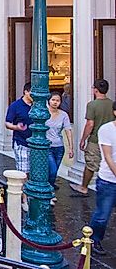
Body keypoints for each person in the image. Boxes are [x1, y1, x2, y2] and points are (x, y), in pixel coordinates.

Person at [71, 79, 114, 197]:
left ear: (95, 89)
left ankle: (84, 187)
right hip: (110, 140)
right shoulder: (111, 103)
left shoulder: (92, 105)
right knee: (109, 162)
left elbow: (90, 124)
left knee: (91, 164)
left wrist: (83, 139)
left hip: (96, 139)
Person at [86, 100, 116, 256]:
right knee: (102, 215)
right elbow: (108, 157)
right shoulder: (106, 130)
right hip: (108, 180)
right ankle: (92, 239)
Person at [46, 91, 74, 192]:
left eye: (57, 100)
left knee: (55, 170)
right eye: (53, 100)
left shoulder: (63, 115)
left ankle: (50, 184)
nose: (55, 102)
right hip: (47, 146)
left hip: (59, 146)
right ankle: (49, 189)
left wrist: (71, 147)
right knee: (52, 170)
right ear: (49, 101)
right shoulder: (44, 113)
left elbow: (68, 130)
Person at [5, 83, 34, 174]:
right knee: (23, 171)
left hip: (35, 144)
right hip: (21, 142)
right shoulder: (15, 106)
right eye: (32, 93)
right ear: (26, 92)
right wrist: (16, 127)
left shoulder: (37, 105)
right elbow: (7, 123)